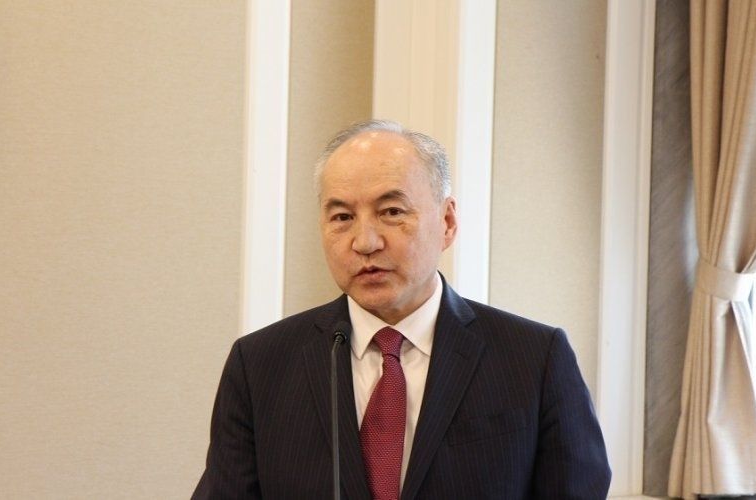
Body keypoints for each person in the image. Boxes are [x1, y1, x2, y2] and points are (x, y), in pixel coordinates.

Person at [192, 120, 611, 499]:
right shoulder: (260, 365)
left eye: (391, 212)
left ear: (447, 222)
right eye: (342, 217)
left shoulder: (535, 359)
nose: (365, 242)